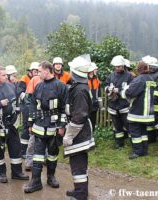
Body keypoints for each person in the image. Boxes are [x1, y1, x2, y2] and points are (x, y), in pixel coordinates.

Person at [24, 61, 68, 193]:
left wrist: (62, 125)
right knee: (37, 155)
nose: (37, 73)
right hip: (39, 126)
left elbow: (64, 108)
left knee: (53, 154)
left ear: (47, 71)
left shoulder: (61, 86)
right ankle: (36, 181)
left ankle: (51, 177)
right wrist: (30, 123)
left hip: (54, 127)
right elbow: (32, 105)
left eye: (39, 71)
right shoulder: (38, 86)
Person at [0, 66, 29, 183]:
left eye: (6, 75)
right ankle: (1, 174)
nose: (6, 77)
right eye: (3, 75)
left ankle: (17, 173)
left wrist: (16, 115)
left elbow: (16, 102)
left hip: (11, 124)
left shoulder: (11, 86)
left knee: (15, 149)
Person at [63, 54, 95, 200]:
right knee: (78, 164)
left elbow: (79, 116)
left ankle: (80, 195)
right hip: (79, 131)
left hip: (79, 133)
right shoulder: (79, 87)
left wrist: (69, 135)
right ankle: (79, 190)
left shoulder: (80, 90)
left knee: (79, 165)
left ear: (74, 71)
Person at [121, 61, 156, 159]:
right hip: (148, 113)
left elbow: (130, 93)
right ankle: (144, 150)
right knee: (143, 132)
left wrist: (123, 91)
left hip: (137, 112)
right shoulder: (151, 78)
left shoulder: (139, 79)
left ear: (139, 68)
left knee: (135, 133)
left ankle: (137, 152)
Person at [104, 55, 134, 148]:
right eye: (116, 67)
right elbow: (105, 85)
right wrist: (108, 89)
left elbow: (132, 89)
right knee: (117, 127)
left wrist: (119, 91)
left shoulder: (129, 76)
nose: (117, 68)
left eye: (119, 66)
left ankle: (134, 143)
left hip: (124, 106)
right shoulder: (111, 75)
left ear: (123, 66)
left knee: (129, 126)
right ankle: (119, 143)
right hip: (113, 106)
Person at [142, 55, 158, 147]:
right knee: (147, 121)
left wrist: (152, 98)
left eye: (151, 67)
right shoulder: (147, 74)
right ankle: (151, 137)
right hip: (145, 102)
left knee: (154, 120)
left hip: (154, 103)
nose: (150, 68)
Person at [18, 62, 40, 158]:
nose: (36, 73)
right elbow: (19, 91)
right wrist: (27, 99)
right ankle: (23, 151)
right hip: (26, 106)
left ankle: (34, 150)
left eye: (38, 71)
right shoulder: (24, 78)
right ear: (30, 71)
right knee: (26, 126)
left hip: (35, 106)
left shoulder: (39, 79)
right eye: (35, 71)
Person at [24, 65, 43, 171]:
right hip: (35, 114)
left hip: (47, 117)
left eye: (39, 71)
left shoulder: (52, 81)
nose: (38, 73)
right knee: (32, 139)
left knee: (47, 139)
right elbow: (28, 98)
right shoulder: (34, 80)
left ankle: (43, 159)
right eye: (36, 71)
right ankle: (29, 162)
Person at [87, 62, 104, 131]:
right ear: (91, 70)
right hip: (87, 105)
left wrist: (101, 106)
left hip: (94, 105)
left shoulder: (96, 80)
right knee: (87, 122)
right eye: (95, 69)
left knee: (93, 122)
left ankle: (91, 136)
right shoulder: (85, 80)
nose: (97, 70)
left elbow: (99, 94)